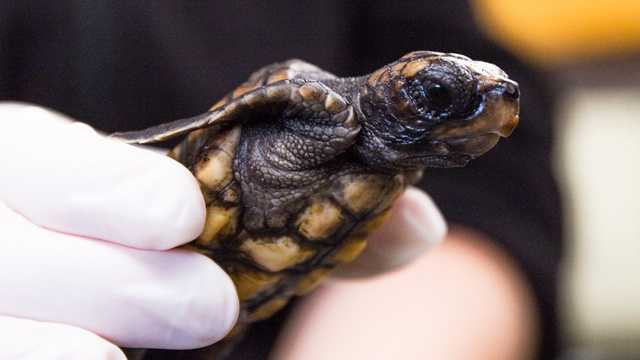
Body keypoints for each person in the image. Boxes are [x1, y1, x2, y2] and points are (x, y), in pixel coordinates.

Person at [0, 1, 562, 359]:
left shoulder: (398, 157)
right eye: (437, 93)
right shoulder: (313, 109)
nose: (488, 111)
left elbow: (498, 194)